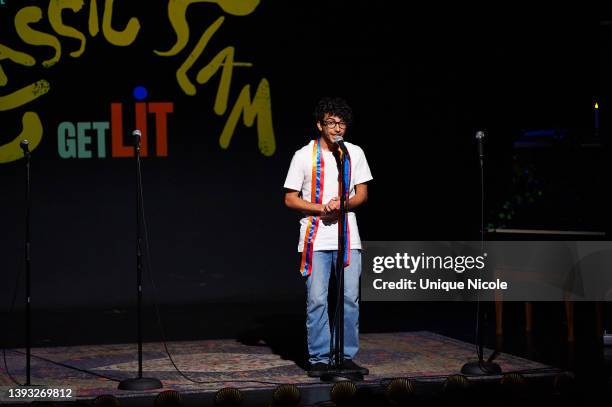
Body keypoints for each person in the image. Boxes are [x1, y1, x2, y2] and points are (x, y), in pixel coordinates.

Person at [283, 97, 373, 377]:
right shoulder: (303, 155)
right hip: (316, 237)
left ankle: (345, 356)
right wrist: (322, 207)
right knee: (318, 299)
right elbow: (290, 199)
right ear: (319, 125)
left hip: (348, 236)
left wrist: (342, 205)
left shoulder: (354, 153)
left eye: (341, 122)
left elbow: (362, 194)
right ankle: (320, 358)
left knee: (349, 298)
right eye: (331, 122)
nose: (337, 127)